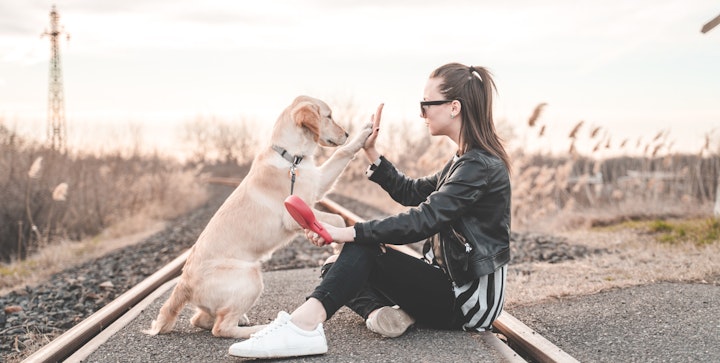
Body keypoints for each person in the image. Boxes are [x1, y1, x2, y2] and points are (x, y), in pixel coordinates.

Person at [228, 62, 512, 359]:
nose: (421, 113)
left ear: (454, 107)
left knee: (360, 251)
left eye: (426, 104)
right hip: (446, 283)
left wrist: (348, 232)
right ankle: (383, 314)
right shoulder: (464, 160)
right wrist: (371, 151)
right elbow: (411, 192)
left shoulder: (478, 166)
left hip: (467, 301)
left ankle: (303, 326)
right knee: (336, 268)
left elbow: (424, 219)